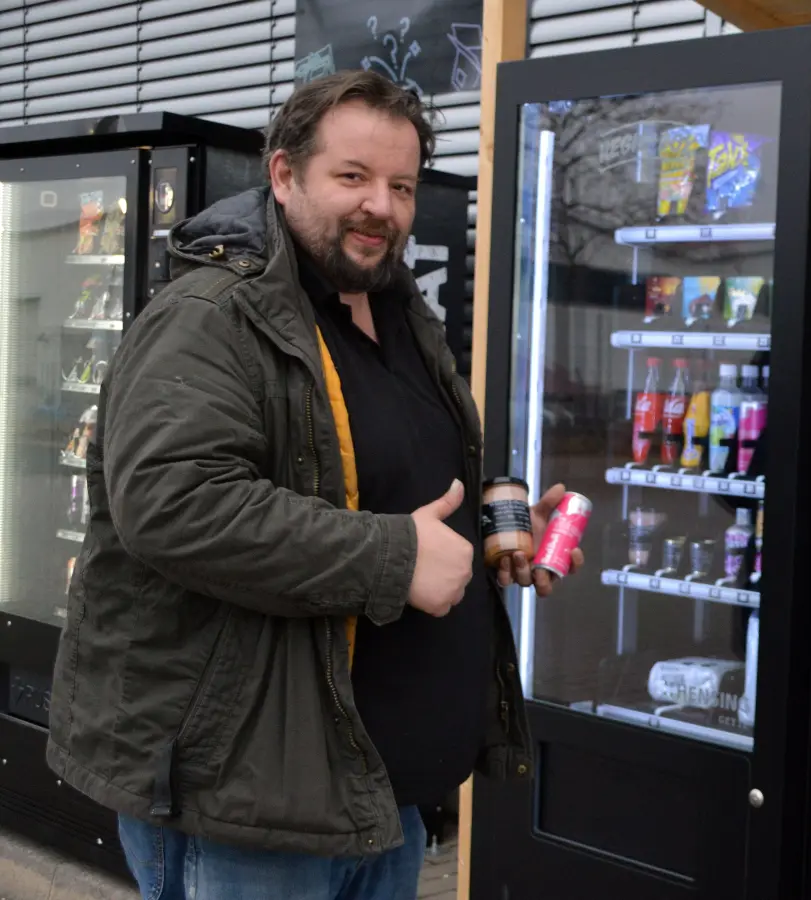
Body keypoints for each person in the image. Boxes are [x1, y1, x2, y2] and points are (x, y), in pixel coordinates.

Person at [46, 71, 579, 900]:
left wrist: (491, 526)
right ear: (285, 175)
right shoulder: (214, 312)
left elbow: (380, 482)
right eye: (353, 178)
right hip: (250, 802)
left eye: (401, 186)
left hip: (377, 791)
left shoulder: (401, 312)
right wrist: (396, 558)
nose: (384, 208)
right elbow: (174, 503)